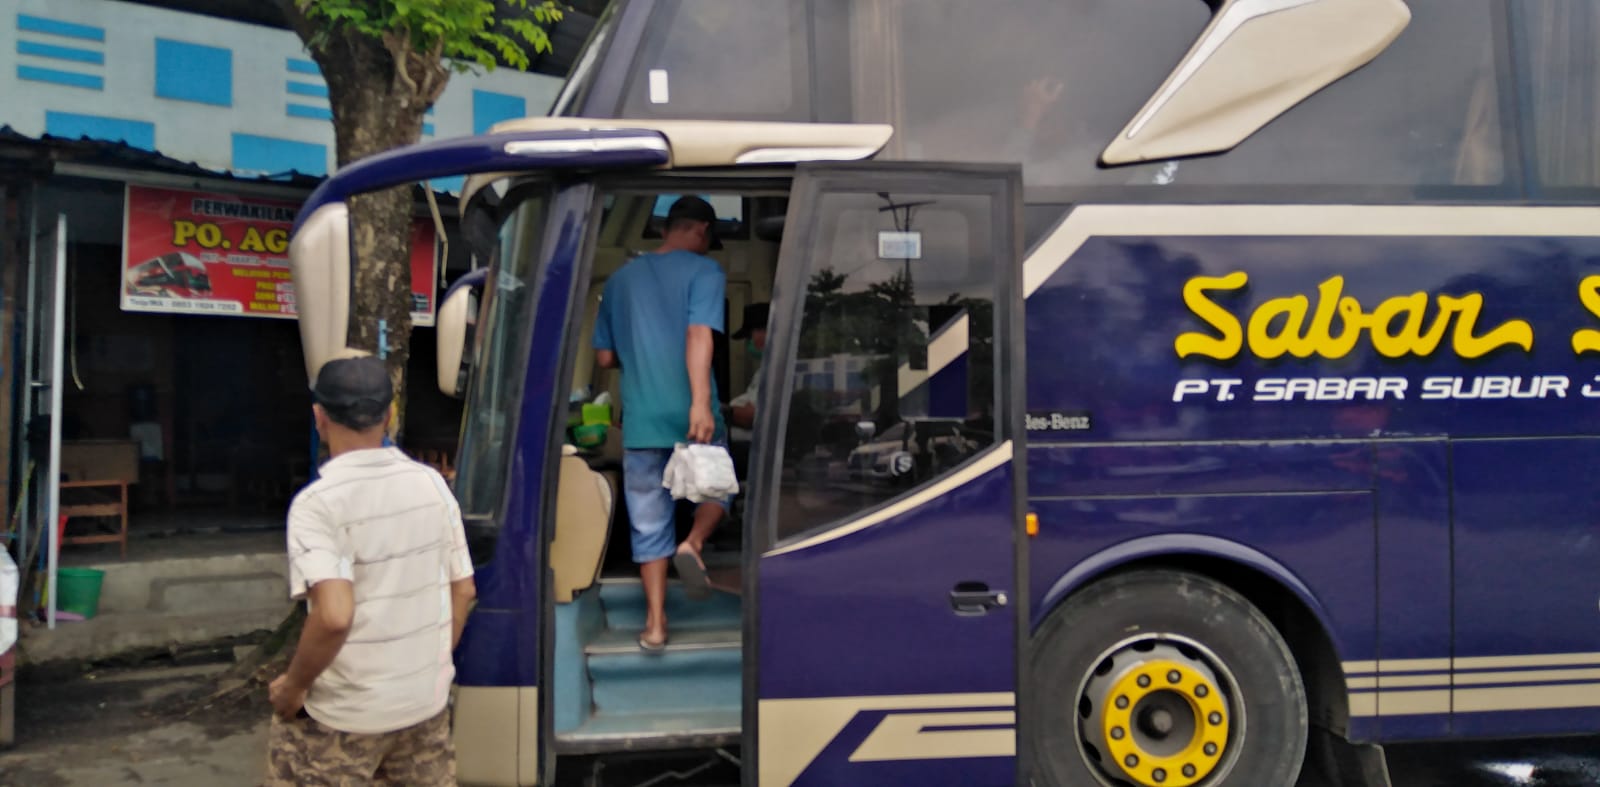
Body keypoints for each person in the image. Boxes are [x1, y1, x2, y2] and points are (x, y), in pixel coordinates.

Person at [266, 354, 477, 786]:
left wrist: (294, 687)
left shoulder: (318, 503)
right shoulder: (433, 484)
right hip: (424, 707)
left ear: (319, 418)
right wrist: (425, 670)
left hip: (344, 719)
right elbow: (464, 590)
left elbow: (333, 615)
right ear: (391, 415)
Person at [593, 195, 729, 651]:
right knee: (715, 490)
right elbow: (698, 333)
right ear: (701, 231)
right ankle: (693, 542)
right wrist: (700, 403)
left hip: (643, 420)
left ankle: (654, 624)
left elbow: (605, 356)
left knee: (648, 520)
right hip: (691, 413)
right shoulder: (704, 272)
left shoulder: (618, 282)